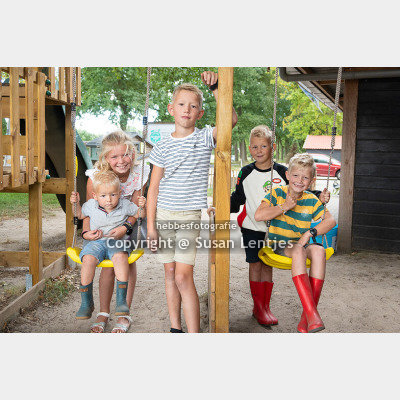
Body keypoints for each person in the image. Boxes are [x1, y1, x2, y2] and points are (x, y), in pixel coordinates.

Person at [208, 125, 330, 328]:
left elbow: (299, 190)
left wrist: (320, 196)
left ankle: (266, 306)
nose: (259, 151)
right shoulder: (246, 172)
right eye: (254, 147)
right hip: (252, 227)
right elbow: (237, 199)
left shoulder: (282, 171)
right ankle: (258, 308)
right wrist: (220, 208)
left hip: (276, 229)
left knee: (267, 265)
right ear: (249, 148)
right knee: (255, 264)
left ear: (272, 147)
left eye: (263, 146)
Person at [147, 71, 238, 333]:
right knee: (169, 274)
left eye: (193, 106)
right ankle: (176, 328)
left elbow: (230, 119)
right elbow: (153, 189)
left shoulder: (204, 137)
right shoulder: (162, 146)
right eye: (181, 104)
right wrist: (151, 227)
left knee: (182, 276)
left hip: (188, 216)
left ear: (200, 113)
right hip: (164, 216)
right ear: (171, 109)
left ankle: (195, 334)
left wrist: (216, 87)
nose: (187, 109)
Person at [255, 153, 336, 333]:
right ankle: (312, 315)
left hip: (301, 243)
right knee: (299, 250)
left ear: (311, 181)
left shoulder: (311, 199)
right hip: (279, 245)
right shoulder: (277, 193)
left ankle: (305, 321)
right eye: (296, 175)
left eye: (305, 177)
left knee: (319, 251)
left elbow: (331, 221)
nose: (300, 181)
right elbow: (259, 215)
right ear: (288, 175)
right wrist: (284, 207)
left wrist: (309, 233)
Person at [83, 131, 150, 333]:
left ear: (132, 154)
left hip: (130, 223)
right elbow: (89, 211)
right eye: (114, 156)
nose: (121, 161)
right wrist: (86, 232)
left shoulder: (138, 175)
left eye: (126, 154)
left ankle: (123, 313)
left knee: (125, 261)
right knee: (107, 266)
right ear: (105, 158)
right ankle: (103, 312)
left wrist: (124, 228)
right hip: (103, 225)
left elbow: (135, 211)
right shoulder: (95, 178)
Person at [70, 170, 146, 322]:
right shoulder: (91, 205)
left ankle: (121, 301)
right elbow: (78, 215)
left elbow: (139, 215)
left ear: (120, 193)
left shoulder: (125, 205)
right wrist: (75, 204)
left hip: (116, 241)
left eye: (113, 195)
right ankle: (86, 303)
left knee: (120, 258)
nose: (109, 200)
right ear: (95, 196)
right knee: (88, 259)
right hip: (96, 242)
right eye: (103, 196)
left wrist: (142, 207)